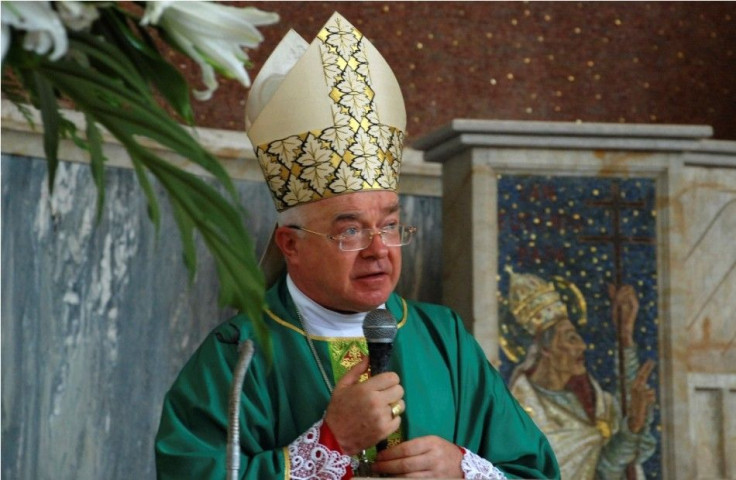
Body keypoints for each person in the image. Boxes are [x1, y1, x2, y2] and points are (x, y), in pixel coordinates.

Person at [155, 13, 559, 479]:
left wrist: (463, 471)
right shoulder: (238, 355)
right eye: (350, 231)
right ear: (291, 244)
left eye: (389, 226)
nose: (377, 249)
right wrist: (329, 445)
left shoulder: (443, 338)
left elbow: (536, 471)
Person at [505, 269, 656, 479]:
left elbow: (622, 420)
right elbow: (603, 469)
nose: (583, 346)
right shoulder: (525, 412)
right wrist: (632, 426)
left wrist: (625, 335)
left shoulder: (588, 397)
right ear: (546, 349)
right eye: (572, 338)